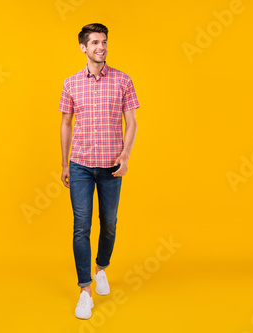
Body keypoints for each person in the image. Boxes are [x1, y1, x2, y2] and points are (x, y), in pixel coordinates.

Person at [59, 23, 140, 320]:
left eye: (104, 42)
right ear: (83, 47)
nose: (101, 47)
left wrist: (125, 155)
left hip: (111, 165)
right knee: (81, 226)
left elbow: (131, 121)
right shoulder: (71, 83)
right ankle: (85, 291)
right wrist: (65, 163)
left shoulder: (123, 80)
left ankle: (101, 268)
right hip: (80, 164)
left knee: (109, 222)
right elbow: (66, 123)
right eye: (94, 42)